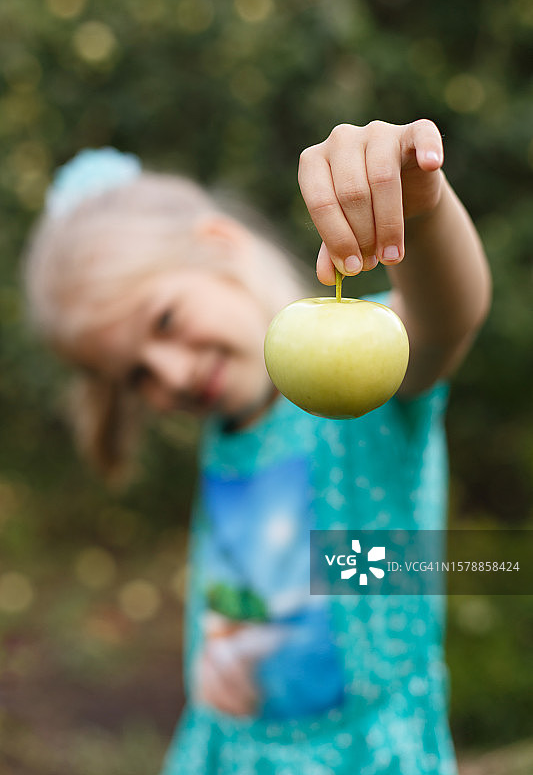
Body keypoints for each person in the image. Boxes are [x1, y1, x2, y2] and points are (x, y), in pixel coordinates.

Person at [23, 119, 491, 775]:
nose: (172, 375)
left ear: (221, 247)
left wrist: (423, 208)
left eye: (166, 322)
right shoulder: (224, 432)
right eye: (137, 376)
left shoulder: (355, 399)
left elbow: (445, 320)